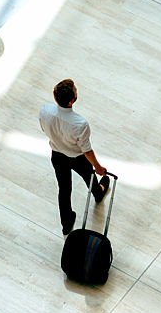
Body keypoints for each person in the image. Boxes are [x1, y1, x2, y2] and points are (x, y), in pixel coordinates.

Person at [39, 78, 109, 235]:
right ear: (73, 100)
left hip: (57, 155)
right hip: (78, 159)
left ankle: (66, 223)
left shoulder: (45, 110)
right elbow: (87, 150)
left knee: (64, 189)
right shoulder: (80, 124)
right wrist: (98, 167)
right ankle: (98, 193)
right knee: (90, 177)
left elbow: (44, 129)